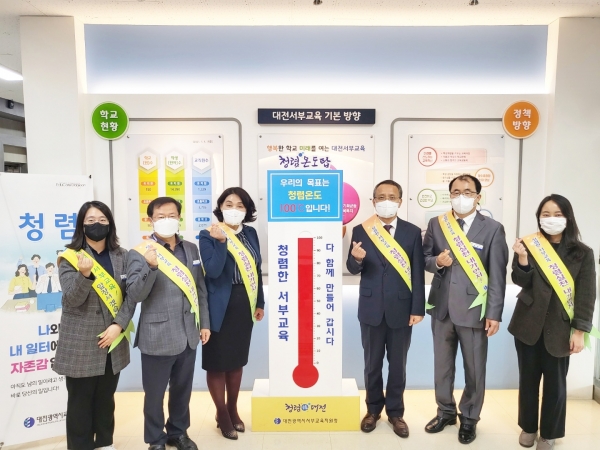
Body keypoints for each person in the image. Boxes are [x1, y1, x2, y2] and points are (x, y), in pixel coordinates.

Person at [118, 196, 210, 450]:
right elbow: (135, 294)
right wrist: (150, 267)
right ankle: (155, 439)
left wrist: (204, 323)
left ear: (179, 218)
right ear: (150, 220)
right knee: (155, 394)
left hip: (188, 333)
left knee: (182, 391)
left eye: (172, 216)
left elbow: (200, 289)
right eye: (161, 217)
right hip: (156, 335)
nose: (167, 220)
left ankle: (178, 433)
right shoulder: (139, 253)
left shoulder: (191, 248)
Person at [422, 174, 508, 444]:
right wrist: (437, 261)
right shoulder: (437, 224)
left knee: (474, 369)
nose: (462, 196)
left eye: (468, 192)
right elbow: (424, 258)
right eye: (456, 192)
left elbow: (497, 275)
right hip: (442, 309)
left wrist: (494, 313)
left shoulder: (493, 228)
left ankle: (469, 418)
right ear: (450, 195)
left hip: (474, 310)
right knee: (442, 367)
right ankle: (445, 411)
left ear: (478, 197)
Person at [509, 194, 597, 450]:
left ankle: (549, 433)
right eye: (545, 215)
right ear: (539, 218)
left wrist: (579, 331)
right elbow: (520, 281)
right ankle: (528, 427)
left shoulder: (582, 253)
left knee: (555, 386)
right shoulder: (529, 244)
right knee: (527, 381)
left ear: (568, 218)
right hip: (527, 325)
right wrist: (522, 259)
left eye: (557, 214)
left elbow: (586, 294)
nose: (551, 219)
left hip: (560, 328)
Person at [346, 180, 425, 437]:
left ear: (400, 201)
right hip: (371, 308)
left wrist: (418, 308)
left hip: (402, 308)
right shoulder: (361, 230)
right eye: (381, 197)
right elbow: (352, 267)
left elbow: (417, 273)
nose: (386, 201)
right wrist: (356, 259)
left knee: (398, 365)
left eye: (391, 197)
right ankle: (372, 410)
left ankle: (395, 413)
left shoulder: (412, 232)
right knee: (372, 364)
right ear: (373, 201)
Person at [53, 200, 132, 450]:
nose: (97, 224)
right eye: (90, 221)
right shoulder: (69, 257)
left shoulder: (122, 256)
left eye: (102, 220)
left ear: (110, 224)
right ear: (81, 225)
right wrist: (84, 275)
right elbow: (72, 299)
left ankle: (105, 444)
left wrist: (119, 325)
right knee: (80, 403)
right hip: (81, 343)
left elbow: (131, 297)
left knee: (106, 399)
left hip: (113, 340)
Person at [199, 187, 265, 440]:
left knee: (236, 361)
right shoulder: (208, 235)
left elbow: (256, 269)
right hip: (218, 305)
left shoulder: (251, 233)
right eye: (229, 204)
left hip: (244, 303)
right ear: (220, 208)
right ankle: (222, 413)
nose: (234, 209)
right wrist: (221, 242)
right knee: (217, 363)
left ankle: (233, 409)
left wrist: (259, 302)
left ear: (247, 210)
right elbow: (213, 271)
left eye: (240, 205)